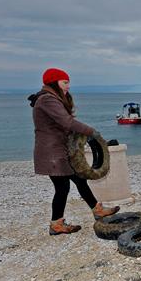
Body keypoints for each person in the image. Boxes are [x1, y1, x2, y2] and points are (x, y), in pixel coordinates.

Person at [29, 68, 119, 235]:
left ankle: (97, 210)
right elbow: (67, 122)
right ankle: (56, 225)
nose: (68, 86)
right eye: (65, 82)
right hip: (52, 154)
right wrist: (91, 131)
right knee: (62, 188)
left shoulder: (50, 98)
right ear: (54, 82)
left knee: (79, 180)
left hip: (58, 151)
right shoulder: (47, 99)